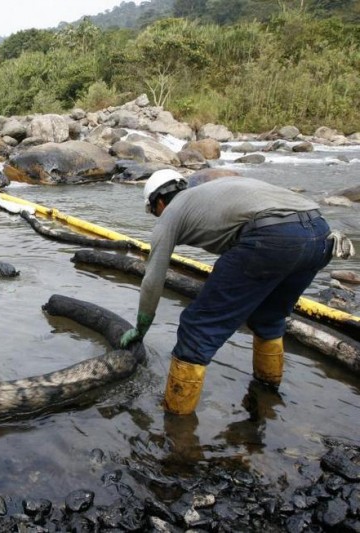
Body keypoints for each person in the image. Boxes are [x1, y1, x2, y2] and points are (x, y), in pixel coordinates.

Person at [119, 170, 338, 416]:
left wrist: (142, 326)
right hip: (321, 235)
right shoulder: (213, 190)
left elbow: (152, 278)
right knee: (268, 316)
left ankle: (176, 423)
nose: (157, 217)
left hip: (273, 237)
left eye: (154, 212)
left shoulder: (171, 214)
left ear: (159, 202)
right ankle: (267, 394)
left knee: (197, 327)